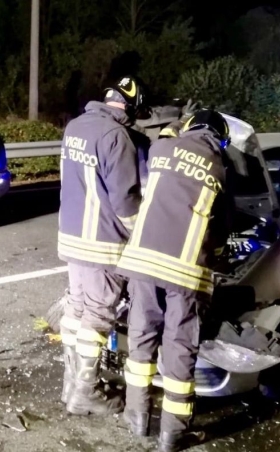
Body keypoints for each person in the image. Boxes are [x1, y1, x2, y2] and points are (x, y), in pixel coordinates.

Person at [115, 109, 234, 451]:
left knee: (142, 339)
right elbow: (223, 227)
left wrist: (173, 129)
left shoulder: (161, 150)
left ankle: (136, 418)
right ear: (220, 138)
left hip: (142, 262)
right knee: (179, 348)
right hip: (183, 271)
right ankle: (173, 433)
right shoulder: (222, 166)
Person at [57, 76, 145, 416]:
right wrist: (140, 235)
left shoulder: (75, 127)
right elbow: (125, 200)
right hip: (101, 241)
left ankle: (71, 384)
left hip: (71, 235)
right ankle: (86, 391)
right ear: (130, 106)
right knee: (97, 314)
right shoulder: (116, 136)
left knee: (76, 310)